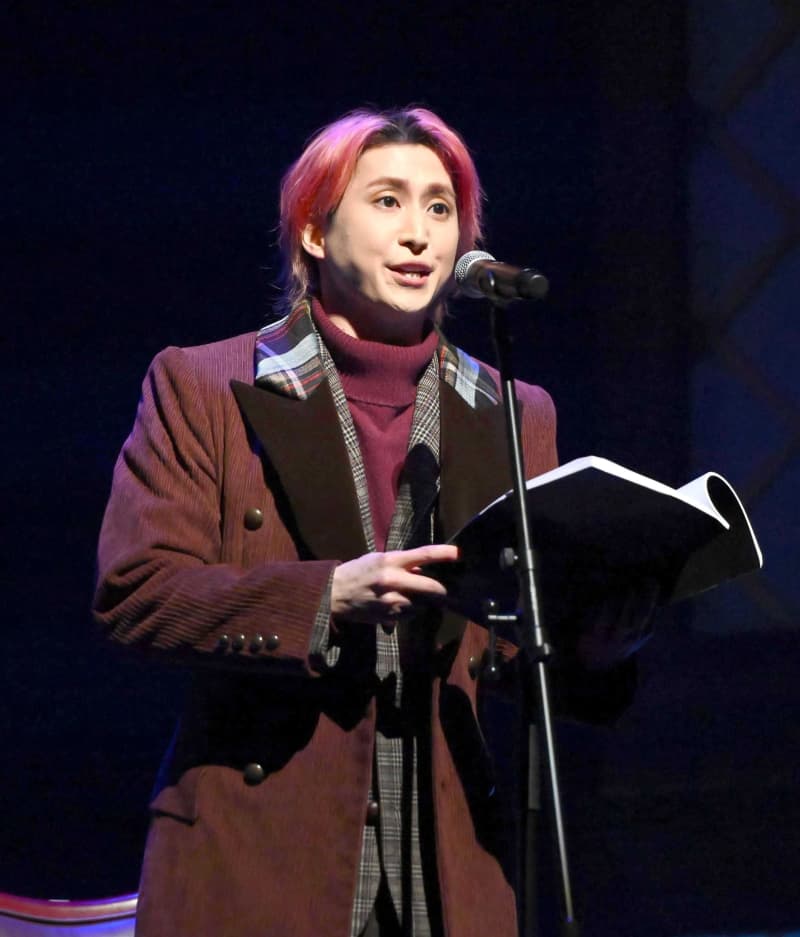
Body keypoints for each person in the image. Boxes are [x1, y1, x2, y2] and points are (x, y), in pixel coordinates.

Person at [93, 106, 653, 937]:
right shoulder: (205, 386)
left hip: (445, 868)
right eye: (387, 200)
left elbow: (502, 649)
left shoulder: (511, 411)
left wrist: (591, 653)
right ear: (315, 231)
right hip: (259, 858)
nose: (420, 232)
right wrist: (324, 597)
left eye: (440, 207)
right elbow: (137, 592)